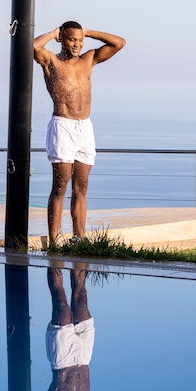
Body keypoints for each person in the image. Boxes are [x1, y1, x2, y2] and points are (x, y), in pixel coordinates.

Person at [34, 22, 126, 248]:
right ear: (62, 39)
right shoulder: (51, 61)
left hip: (85, 127)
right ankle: (54, 241)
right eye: (71, 39)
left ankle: (79, 238)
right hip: (62, 125)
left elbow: (119, 43)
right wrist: (53, 33)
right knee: (61, 184)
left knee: (81, 187)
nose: (76, 44)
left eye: (79, 40)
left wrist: (87, 32)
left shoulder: (89, 59)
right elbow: (34, 47)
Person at [32, 267, 123, 391]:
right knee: (80, 297)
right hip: (84, 356)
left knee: (60, 300)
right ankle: (79, 240)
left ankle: (54, 244)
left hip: (62, 358)